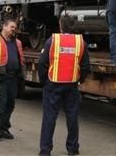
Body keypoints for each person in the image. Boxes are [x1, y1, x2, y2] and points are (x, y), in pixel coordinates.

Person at [38, 15, 90, 156]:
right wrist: (79, 80)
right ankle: (73, 148)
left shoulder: (52, 41)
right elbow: (85, 66)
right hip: (72, 85)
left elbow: (42, 63)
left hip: (53, 83)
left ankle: (45, 150)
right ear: (74, 26)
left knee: (49, 117)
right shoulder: (81, 42)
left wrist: (44, 81)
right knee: (72, 117)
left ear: (61, 26)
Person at [0, 18, 24, 141]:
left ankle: (4, 127)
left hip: (13, 77)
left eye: (15, 27)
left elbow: (20, 58)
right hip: (0, 77)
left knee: (10, 104)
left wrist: (21, 74)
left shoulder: (17, 42)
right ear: (4, 26)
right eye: (11, 27)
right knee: (1, 103)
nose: (13, 29)